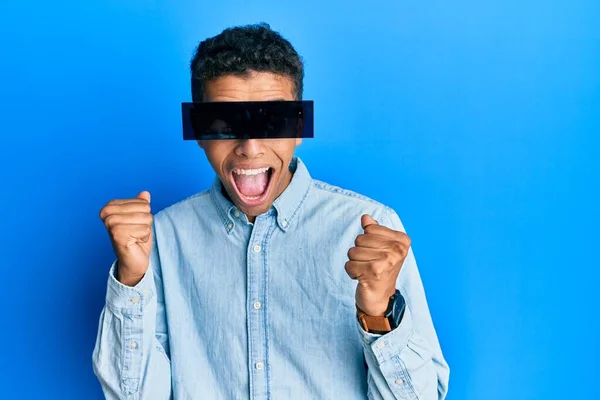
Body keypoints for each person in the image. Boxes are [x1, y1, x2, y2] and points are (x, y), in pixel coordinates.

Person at [92, 23, 450, 400]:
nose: (250, 147)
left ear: (298, 127)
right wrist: (131, 280)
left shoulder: (369, 229)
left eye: (272, 121)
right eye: (225, 123)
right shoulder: (160, 240)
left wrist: (379, 311)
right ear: (199, 131)